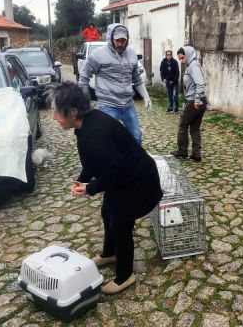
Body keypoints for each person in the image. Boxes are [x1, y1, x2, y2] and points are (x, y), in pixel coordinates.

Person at [49, 82, 163, 295]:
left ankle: (125, 276)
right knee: (107, 212)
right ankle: (110, 253)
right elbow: (94, 163)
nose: (53, 116)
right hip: (125, 178)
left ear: (73, 112)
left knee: (120, 223)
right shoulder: (88, 123)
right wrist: (81, 180)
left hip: (139, 181)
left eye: (56, 111)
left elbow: (115, 172)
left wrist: (90, 188)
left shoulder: (95, 135)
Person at [79, 23, 152, 145]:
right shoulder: (97, 55)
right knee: (107, 140)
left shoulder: (132, 54)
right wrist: (86, 102)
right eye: (117, 40)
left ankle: (133, 158)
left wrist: (146, 96)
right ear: (110, 38)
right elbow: (83, 78)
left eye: (123, 41)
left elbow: (136, 78)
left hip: (128, 104)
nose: (120, 44)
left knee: (136, 137)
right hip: (108, 105)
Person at [171, 46, 207, 162]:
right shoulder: (190, 66)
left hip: (194, 101)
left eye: (182, 58)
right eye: (179, 59)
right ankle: (196, 154)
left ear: (188, 55)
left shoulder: (193, 66)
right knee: (195, 128)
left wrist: (196, 100)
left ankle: (182, 151)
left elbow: (200, 83)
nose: (181, 61)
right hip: (198, 100)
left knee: (183, 125)